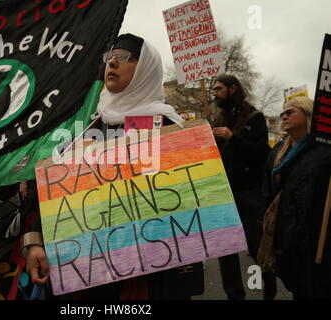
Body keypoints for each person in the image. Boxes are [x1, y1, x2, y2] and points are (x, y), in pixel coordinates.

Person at [24, 33, 206, 300]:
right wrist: (35, 240)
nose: (112, 63)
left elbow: (190, 199)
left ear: (145, 68)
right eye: (110, 57)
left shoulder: (166, 127)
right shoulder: (90, 122)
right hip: (85, 269)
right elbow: (53, 185)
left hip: (145, 273)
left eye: (124, 58)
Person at [257, 97, 331, 299]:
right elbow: (268, 189)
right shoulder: (277, 151)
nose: (284, 116)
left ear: (307, 114)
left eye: (290, 112)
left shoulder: (324, 151)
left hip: (317, 236)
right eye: (282, 113)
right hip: (285, 234)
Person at [211, 74, 275, 300]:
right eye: (213, 89)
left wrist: (233, 138)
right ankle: (234, 294)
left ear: (233, 88)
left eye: (219, 89)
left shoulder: (255, 117)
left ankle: (269, 283)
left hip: (248, 192)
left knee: (256, 246)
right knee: (225, 249)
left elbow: (262, 155)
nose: (214, 93)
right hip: (222, 193)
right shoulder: (216, 119)